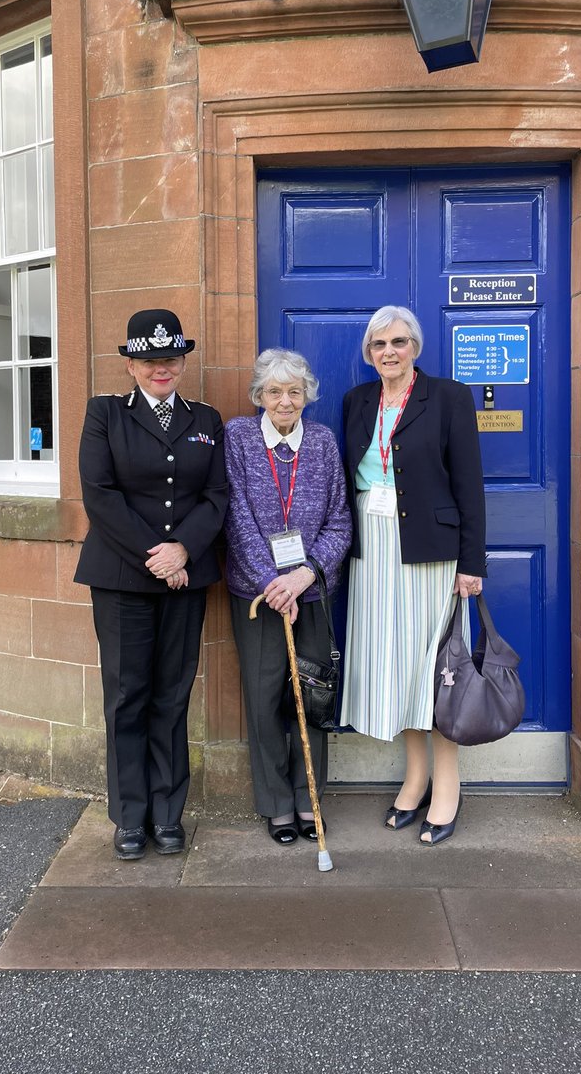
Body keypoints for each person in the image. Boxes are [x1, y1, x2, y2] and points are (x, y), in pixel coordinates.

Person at [75, 309, 229, 861]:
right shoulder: (105, 415)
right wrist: (157, 557)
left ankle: (168, 814)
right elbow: (100, 495)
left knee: (171, 694)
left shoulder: (207, 420)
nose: (160, 368)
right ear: (131, 364)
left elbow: (217, 497)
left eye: (169, 358)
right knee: (127, 695)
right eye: (148, 359)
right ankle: (130, 816)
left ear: (183, 362)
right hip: (121, 579)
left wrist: (184, 547)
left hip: (186, 577)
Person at [339, 306, 486, 846]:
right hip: (372, 553)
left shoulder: (449, 398)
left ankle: (447, 785)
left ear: (416, 348)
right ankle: (416, 775)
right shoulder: (357, 402)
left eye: (399, 342)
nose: (389, 352)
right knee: (398, 667)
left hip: (431, 552)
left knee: (436, 669)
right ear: (369, 353)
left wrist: (473, 563)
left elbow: (470, 485)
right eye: (379, 344)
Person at [224, 349, 352, 845]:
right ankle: (276, 802)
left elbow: (341, 521)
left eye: (294, 391)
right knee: (264, 697)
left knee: (312, 696)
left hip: (312, 593)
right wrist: (272, 585)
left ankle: (307, 798)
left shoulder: (321, 442)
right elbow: (234, 516)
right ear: (259, 396)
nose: (284, 401)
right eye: (274, 392)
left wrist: (303, 577)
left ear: (306, 397)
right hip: (257, 595)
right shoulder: (237, 437)